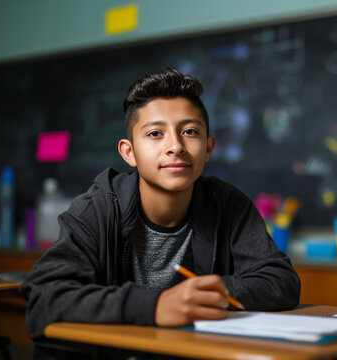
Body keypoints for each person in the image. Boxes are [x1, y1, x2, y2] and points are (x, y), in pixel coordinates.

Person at [21, 68, 301, 358]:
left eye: (189, 132)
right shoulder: (99, 206)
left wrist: (215, 291)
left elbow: (281, 280)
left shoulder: (226, 203)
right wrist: (156, 305)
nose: (176, 147)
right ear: (129, 152)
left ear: (208, 148)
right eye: (155, 133)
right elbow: (45, 296)